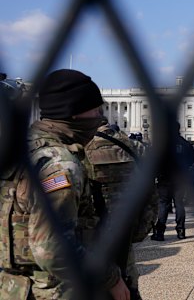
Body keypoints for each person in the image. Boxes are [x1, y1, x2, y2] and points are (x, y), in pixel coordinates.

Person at [0, 69, 129, 299]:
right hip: (52, 291)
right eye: (95, 109)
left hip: (13, 288)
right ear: (74, 113)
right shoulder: (59, 163)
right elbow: (52, 249)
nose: (100, 116)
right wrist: (112, 278)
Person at [84, 118, 158, 299]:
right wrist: (139, 232)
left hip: (91, 232)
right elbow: (150, 196)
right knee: (127, 279)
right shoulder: (135, 147)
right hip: (125, 227)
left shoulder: (80, 148)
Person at [151, 122, 194, 241]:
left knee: (163, 205)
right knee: (179, 204)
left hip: (165, 177)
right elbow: (192, 159)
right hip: (180, 178)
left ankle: (160, 233)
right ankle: (181, 231)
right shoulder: (185, 143)